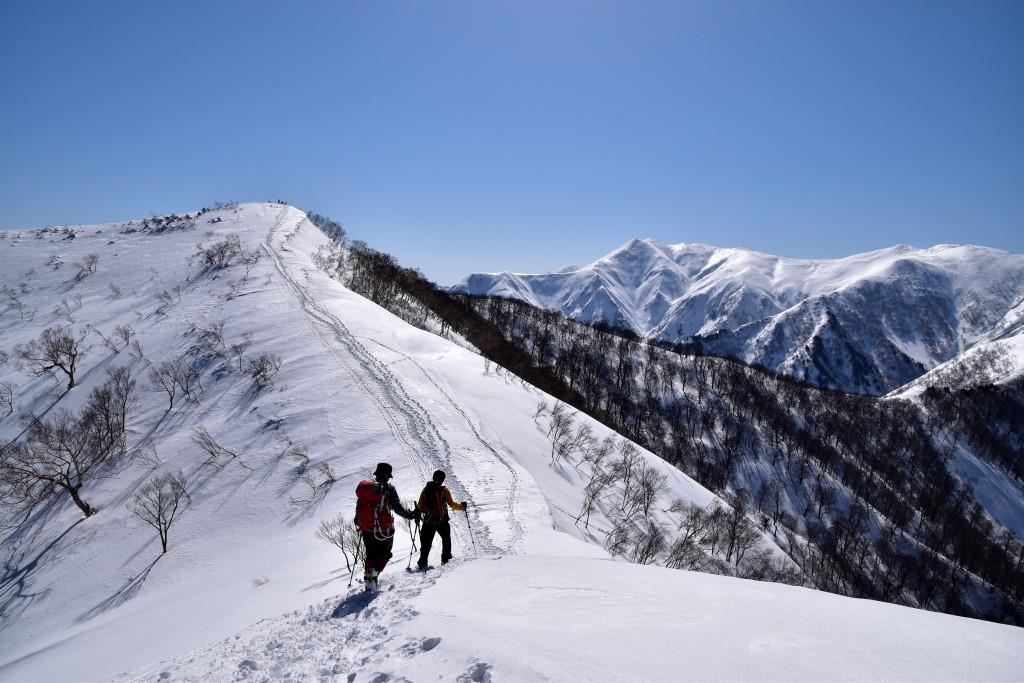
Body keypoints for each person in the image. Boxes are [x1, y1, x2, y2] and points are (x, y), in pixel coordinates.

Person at [354, 462, 419, 590]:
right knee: (385, 554)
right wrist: (411, 515)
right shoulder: (389, 489)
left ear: (377, 474)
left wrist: (359, 521)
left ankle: (370, 580)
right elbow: (398, 509)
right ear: (387, 476)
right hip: (383, 530)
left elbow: (359, 506)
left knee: (371, 555)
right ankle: (373, 575)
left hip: (366, 529)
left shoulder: (366, 488)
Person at [416, 470, 468, 570]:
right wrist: (462, 506)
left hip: (428, 521)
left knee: (426, 543)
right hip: (441, 520)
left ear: (433, 477)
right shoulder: (444, 490)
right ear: (442, 479)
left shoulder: (426, 489)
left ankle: (422, 562)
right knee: (446, 539)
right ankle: (445, 560)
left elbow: (419, 506)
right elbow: (452, 504)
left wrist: (424, 511)